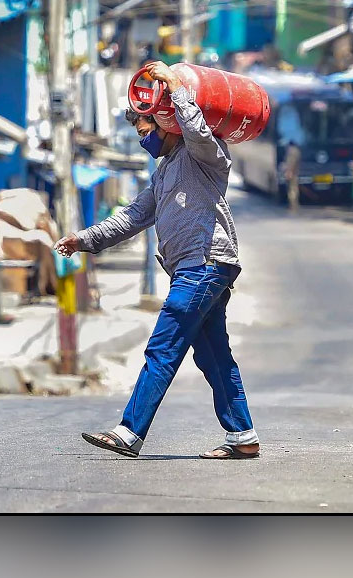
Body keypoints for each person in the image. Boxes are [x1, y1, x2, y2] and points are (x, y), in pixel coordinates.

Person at [55, 61, 258, 460]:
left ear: (167, 122)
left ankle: (130, 431)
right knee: (213, 353)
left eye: (146, 130)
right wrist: (84, 240)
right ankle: (243, 436)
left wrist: (176, 87)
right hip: (193, 269)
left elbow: (198, 130)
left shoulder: (206, 155)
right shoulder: (164, 173)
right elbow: (132, 217)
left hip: (205, 264)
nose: (143, 139)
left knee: (163, 347)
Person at [283, 140, 302, 212]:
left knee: (292, 189)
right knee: (295, 188)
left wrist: (289, 172)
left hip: (291, 173)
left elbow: (290, 163)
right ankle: (295, 204)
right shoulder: (297, 151)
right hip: (296, 172)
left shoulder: (291, 152)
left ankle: (292, 205)